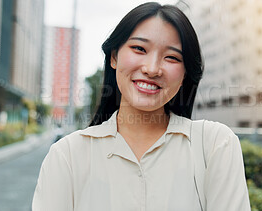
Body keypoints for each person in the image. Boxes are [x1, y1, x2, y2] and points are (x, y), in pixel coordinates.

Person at [32, 2, 250, 211]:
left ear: (185, 74)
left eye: (172, 57)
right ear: (114, 56)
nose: (152, 69)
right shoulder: (67, 155)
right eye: (139, 48)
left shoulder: (214, 145)